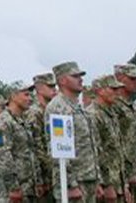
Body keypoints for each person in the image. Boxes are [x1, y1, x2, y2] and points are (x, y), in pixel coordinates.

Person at [45, 62, 100, 202]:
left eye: (80, 76)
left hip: (88, 178)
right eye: (75, 76)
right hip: (73, 182)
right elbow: (57, 149)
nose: (80, 79)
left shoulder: (78, 107)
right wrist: (70, 184)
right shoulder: (58, 107)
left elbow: (91, 145)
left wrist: (97, 178)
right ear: (62, 80)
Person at [0, 82, 39, 202]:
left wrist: (37, 181)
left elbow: (30, 152)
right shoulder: (3, 122)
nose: (30, 98)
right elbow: (2, 156)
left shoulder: (23, 121)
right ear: (13, 96)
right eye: (26, 95)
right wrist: (13, 187)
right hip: (13, 192)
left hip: (28, 188)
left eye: (30, 95)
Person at [89, 75, 128, 202]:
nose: (117, 93)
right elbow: (96, 152)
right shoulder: (93, 115)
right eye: (113, 89)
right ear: (100, 90)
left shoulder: (111, 113)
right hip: (107, 182)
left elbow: (117, 150)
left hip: (118, 179)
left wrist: (124, 184)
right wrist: (106, 184)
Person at [112, 64, 136, 200]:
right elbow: (113, 144)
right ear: (119, 78)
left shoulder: (131, 106)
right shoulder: (114, 106)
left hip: (135, 173)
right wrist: (122, 179)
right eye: (132, 78)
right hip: (121, 174)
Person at [27, 73, 57, 203]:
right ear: (38, 89)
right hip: (44, 175)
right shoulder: (34, 113)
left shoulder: (51, 110)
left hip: (53, 173)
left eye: (54, 86)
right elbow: (36, 147)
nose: (54, 90)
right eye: (50, 86)